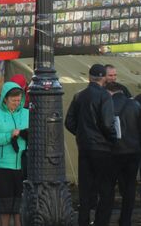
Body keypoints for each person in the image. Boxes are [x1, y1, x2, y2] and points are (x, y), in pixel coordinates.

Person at [65, 64, 117, 226]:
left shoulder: (79, 96)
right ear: (103, 78)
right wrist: (112, 139)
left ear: (89, 77)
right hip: (102, 148)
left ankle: (83, 222)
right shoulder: (105, 96)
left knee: (85, 191)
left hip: (85, 148)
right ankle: (101, 222)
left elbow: (69, 122)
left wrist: (81, 135)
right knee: (106, 190)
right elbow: (108, 124)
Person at [0, 81, 29, 226]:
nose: (17, 103)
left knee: (19, 207)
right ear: (5, 99)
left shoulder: (27, 114)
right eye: (13, 100)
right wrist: (9, 135)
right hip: (2, 166)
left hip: (23, 164)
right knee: (5, 207)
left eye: (19, 100)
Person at [107, 82, 141, 226]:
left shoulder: (107, 105)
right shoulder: (135, 105)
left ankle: (105, 218)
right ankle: (126, 219)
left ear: (109, 92)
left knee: (108, 186)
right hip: (133, 151)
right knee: (130, 186)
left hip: (113, 152)